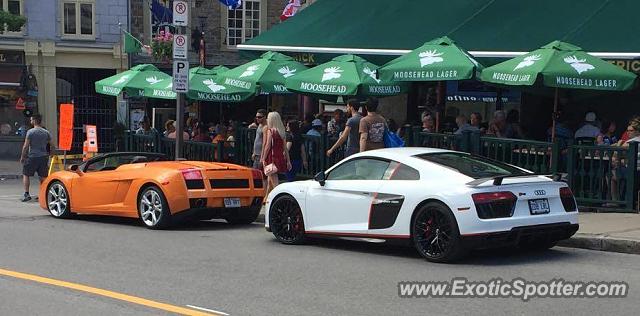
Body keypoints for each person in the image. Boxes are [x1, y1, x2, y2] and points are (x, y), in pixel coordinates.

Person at [19, 114, 52, 202]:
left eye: (31, 120)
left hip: (32, 156)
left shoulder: (30, 132)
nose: (30, 122)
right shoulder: (46, 132)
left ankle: (27, 194)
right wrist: (50, 154)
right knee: (43, 176)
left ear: (34, 120)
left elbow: (26, 146)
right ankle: (43, 194)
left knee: (26, 174)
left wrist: (23, 156)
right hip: (43, 157)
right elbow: (51, 145)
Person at [261, 112, 291, 198]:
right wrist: (288, 161)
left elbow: (267, 146)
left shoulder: (271, 131)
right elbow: (285, 148)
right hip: (279, 157)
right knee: (270, 178)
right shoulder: (282, 132)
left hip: (271, 158)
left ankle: (279, 198)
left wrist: (263, 158)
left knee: (275, 183)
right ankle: (266, 198)